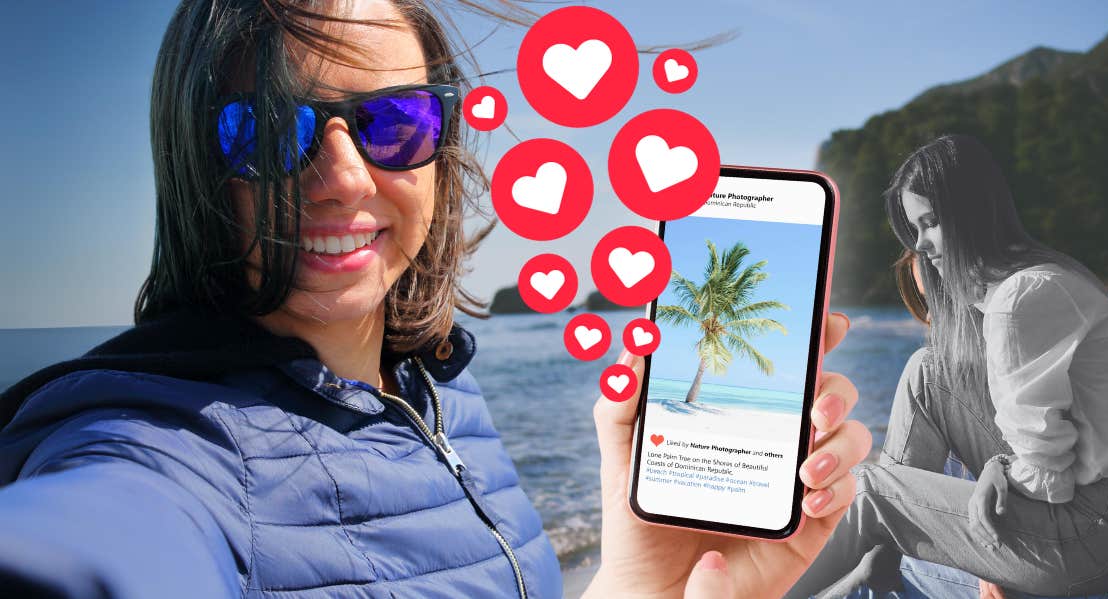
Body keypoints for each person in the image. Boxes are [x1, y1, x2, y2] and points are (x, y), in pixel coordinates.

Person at [0, 1, 871, 597]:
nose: (343, 178)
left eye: (393, 122)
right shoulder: (161, 448)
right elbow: (93, 539)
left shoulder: (437, 386)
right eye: (268, 131)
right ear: (197, 168)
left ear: (441, 144)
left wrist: (649, 576)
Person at [787, 134, 1108, 598]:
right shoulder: (1043, 280)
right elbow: (1048, 452)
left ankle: (835, 579)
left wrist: (1001, 478)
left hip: (1105, 534)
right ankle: (875, 566)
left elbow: (1046, 476)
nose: (923, 246)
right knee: (929, 372)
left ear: (972, 212)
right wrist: (1001, 466)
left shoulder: (1020, 300)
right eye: (914, 229)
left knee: (872, 491)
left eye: (931, 223)